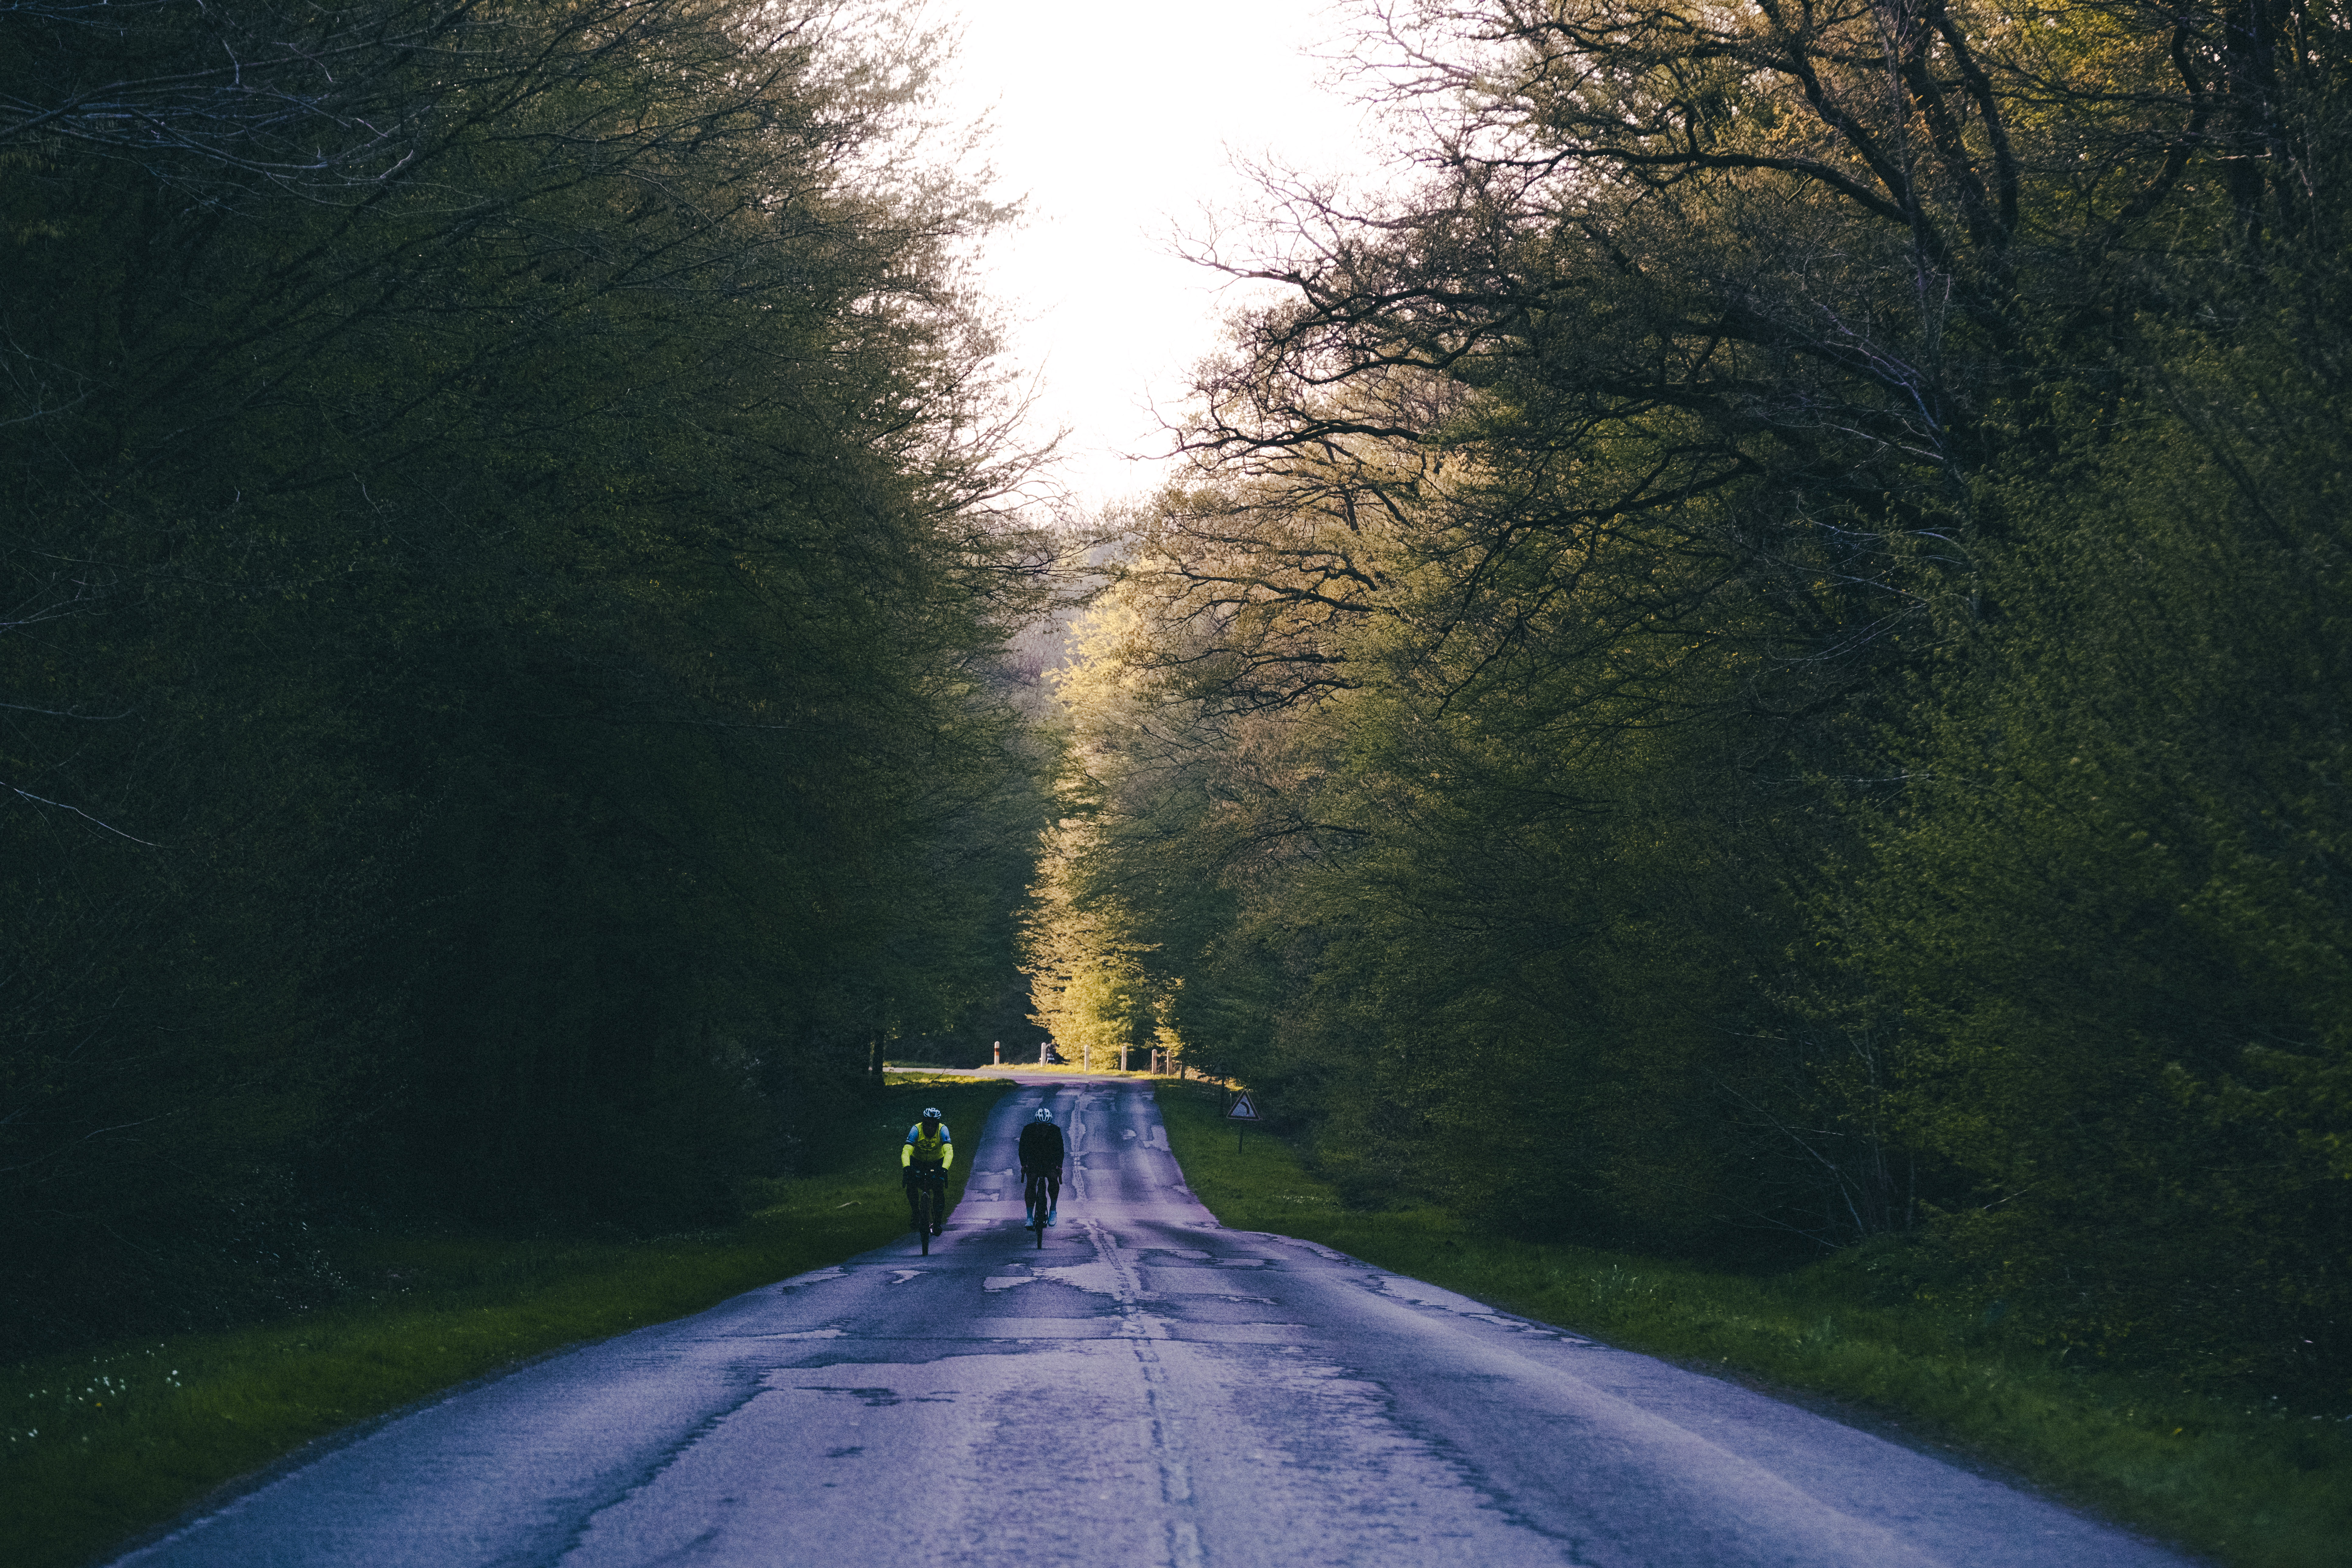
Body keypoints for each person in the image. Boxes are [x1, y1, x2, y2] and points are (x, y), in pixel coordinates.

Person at [901, 1107, 953, 1236]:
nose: (930, 1128)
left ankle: (938, 1222)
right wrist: (907, 1167)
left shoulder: (943, 1130)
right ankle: (916, 1212)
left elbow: (949, 1151)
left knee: (938, 1189)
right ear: (923, 1123)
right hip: (917, 1162)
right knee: (911, 1183)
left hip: (937, 1162)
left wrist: (944, 1169)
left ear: (937, 1124)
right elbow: (907, 1150)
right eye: (927, 1124)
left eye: (933, 1125)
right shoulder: (916, 1130)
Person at [1017, 1105, 1065, 1227]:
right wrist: (1024, 1164)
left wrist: (1059, 1166)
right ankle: (1029, 1217)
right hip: (1034, 1161)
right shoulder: (1028, 1130)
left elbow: (1060, 1150)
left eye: (1046, 1127)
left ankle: (1053, 1210)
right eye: (1040, 1127)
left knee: (1053, 1180)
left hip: (1050, 1162)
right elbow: (1022, 1148)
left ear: (1050, 1125)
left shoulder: (1056, 1131)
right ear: (1036, 1124)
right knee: (1031, 1182)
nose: (1043, 1129)